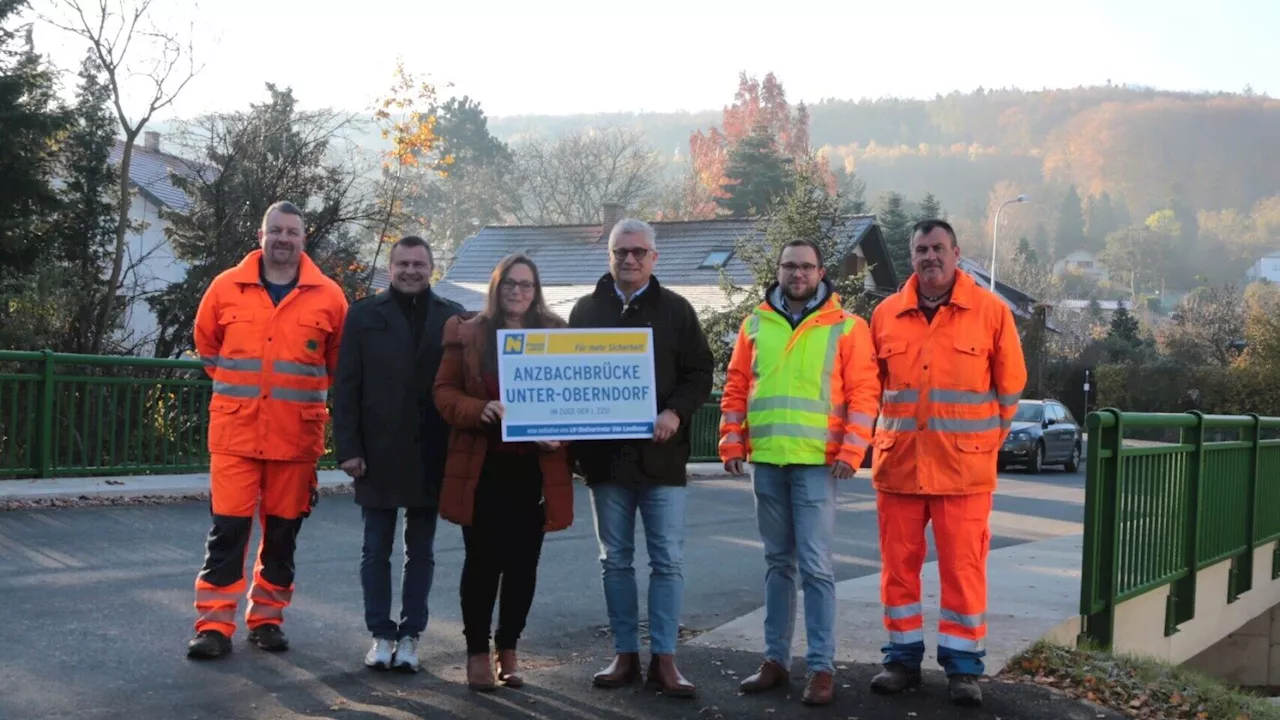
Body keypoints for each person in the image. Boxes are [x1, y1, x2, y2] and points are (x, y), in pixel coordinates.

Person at [867, 219, 1026, 706]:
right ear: (911, 256)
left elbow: (1011, 390)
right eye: (921, 249)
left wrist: (978, 444)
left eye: (938, 248)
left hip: (964, 475)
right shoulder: (886, 314)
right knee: (898, 569)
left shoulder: (992, 313)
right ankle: (901, 660)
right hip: (899, 469)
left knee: (963, 570)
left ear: (957, 253)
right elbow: (870, 390)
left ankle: (962, 669)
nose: (930, 256)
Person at [718, 239, 881, 706]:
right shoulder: (755, 324)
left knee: (815, 568)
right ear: (779, 270)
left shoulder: (848, 327)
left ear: (821, 272)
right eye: (789, 265)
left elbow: (865, 393)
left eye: (806, 266)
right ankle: (775, 661)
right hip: (767, 460)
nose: (797, 273)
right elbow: (736, 387)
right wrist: (732, 441)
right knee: (777, 565)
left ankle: (821, 668)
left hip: (817, 463)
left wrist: (853, 451)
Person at [186, 201, 349, 659]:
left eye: (292, 232)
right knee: (227, 534)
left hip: (295, 441)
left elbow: (336, 365)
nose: (283, 239)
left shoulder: (330, 297)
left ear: (304, 238)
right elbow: (207, 346)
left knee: (281, 538)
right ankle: (214, 626)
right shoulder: (225, 288)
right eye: (275, 230)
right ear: (261, 235)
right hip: (235, 438)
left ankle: (267, 621)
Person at [568, 218, 714, 699]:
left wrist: (675, 410)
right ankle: (625, 653)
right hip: (605, 463)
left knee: (667, 562)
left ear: (655, 257)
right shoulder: (585, 312)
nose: (628, 260)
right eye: (620, 252)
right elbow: (568, 383)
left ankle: (665, 659)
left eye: (638, 252)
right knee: (615, 562)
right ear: (608, 257)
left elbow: (699, 372)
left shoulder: (676, 310)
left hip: (662, 460)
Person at [433, 254, 576, 691]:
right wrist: (479, 410)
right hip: (483, 469)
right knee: (481, 564)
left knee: (522, 566)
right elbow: (443, 392)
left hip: (533, 471)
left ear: (537, 290)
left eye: (527, 285)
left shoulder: (556, 334)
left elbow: (573, 399)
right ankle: (477, 651)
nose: (518, 291)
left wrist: (561, 437)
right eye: (511, 284)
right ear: (496, 287)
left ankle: (508, 648)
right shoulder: (469, 332)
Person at [331, 235, 463, 673]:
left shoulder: (451, 318)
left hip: (432, 453)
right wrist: (347, 448)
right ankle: (381, 634)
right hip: (377, 453)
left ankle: (410, 636)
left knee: (421, 551)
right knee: (375, 549)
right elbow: (346, 387)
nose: (411, 270)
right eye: (403, 263)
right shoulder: (364, 314)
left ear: (432, 268)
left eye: (419, 263)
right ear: (391, 268)